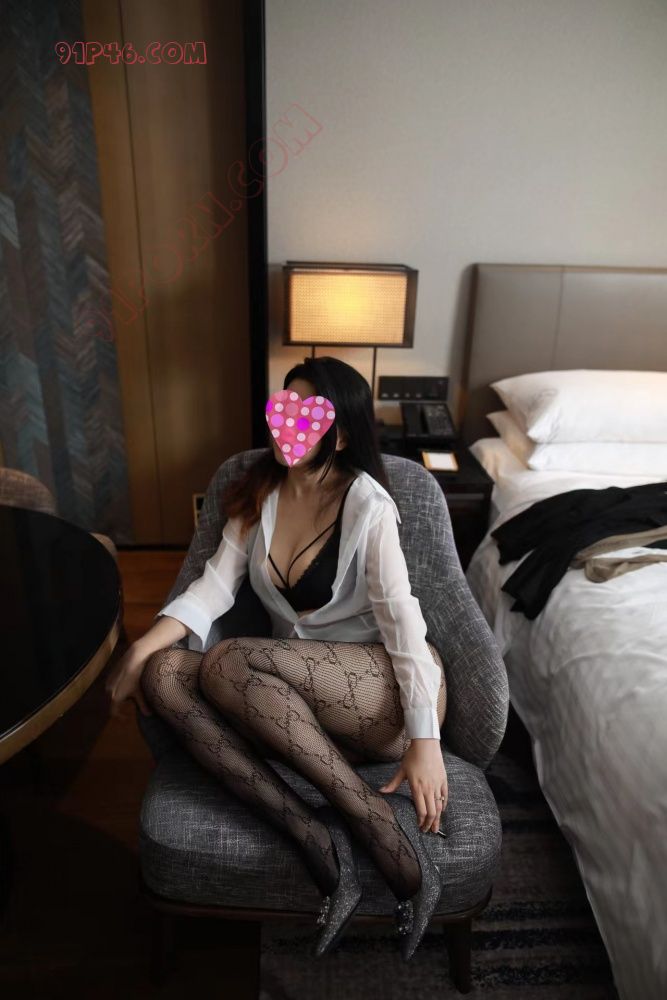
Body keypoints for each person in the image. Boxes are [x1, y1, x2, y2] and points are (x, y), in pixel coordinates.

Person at [105, 356, 448, 961]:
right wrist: (139, 648)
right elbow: (213, 588)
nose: (286, 424)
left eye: (307, 414)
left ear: (342, 433)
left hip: (380, 693)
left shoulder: (367, 505)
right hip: (285, 701)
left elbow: (403, 624)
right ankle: (312, 837)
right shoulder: (258, 490)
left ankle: (376, 822)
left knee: (225, 662)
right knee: (166, 672)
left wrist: (425, 740)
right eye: (283, 407)